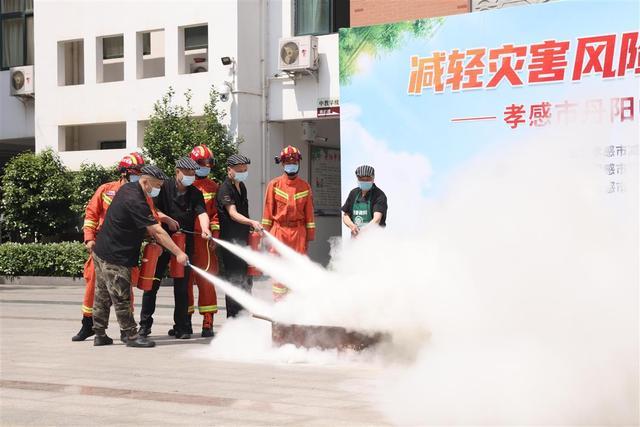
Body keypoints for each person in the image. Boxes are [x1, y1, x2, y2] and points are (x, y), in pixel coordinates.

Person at [92, 164, 188, 348]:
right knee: (122, 296)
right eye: (157, 185)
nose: (159, 189)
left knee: (102, 295)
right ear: (145, 181)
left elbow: (133, 222)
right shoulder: (135, 198)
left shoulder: (128, 188)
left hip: (102, 250)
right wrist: (178, 253)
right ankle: (130, 336)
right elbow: (156, 231)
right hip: (115, 255)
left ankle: (99, 334)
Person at [72, 152, 145, 342]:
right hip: (102, 247)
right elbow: (91, 214)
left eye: (139, 172)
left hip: (122, 249)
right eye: (134, 172)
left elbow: (150, 216)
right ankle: (88, 326)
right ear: (123, 172)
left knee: (124, 290)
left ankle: (123, 330)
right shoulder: (106, 190)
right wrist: (89, 239)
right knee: (95, 290)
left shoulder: (140, 193)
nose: (137, 175)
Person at [138, 157, 212, 339]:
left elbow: (202, 213)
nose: (190, 176)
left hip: (184, 243)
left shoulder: (195, 193)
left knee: (182, 286)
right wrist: (166, 219)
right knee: (152, 284)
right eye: (187, 172)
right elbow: (152, 209)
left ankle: (182, 327)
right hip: (161, 243)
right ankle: (145, 326)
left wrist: (205, 228)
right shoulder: (163, 188)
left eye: (193, 173)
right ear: (177, 171)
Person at [261, 146, 315, 301]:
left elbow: (309, 214)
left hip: (299, 233)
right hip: (279, 232)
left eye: (294, 161)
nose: (291, 164)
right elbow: (267, 212)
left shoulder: (305, 186)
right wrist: (265, 236)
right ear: (282, 164)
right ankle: (279, 303)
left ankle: (294, 304)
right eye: (288, 161)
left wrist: (309, 237)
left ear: (298, 162)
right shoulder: (274, 185)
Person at [216, 153, 262, 318]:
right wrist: (251, 222)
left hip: (243, 241)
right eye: (240, 169)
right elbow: (233, 214)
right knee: (234, 281)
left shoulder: (241, 187)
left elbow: (244, 211)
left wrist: (250, 230)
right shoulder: (225, 189)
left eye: (245, 169)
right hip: (231, 242)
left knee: (245, 281)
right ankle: (233, 320)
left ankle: (244, 316)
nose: (243, 171)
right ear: (229, 170)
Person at [187, 144, 220, 337]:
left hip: (204, 241)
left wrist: (215, 236)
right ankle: (185, 322)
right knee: (185, 283)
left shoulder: (213, 187)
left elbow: (215, 215)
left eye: (209, 163)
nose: (206, 166)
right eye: (202, 163)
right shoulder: (184, 184)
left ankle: (208, 322)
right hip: (184, 239)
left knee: (207, 281)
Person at [341, 165, 388, 237]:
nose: (365, 181)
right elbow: (345, 215)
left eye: (368, 179)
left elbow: (377, 219)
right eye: (362, 179)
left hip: (375, 239)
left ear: (373, 178)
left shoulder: (379, 195)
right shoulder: (353, 193)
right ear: (357, 178)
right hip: (355, 239)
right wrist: (352, 226)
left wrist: (364, 231)